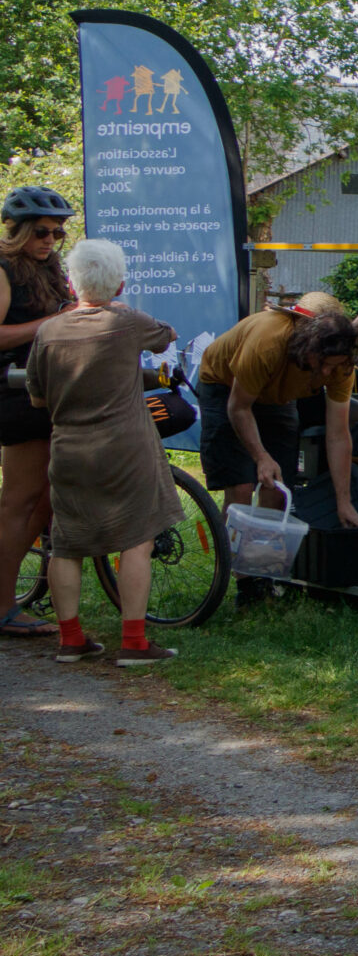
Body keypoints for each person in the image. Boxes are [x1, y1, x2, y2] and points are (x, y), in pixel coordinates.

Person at [23, 241, 180, 666]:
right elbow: (167, 338)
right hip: (125, 448)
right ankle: (133, 643)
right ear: (121, 284)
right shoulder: (126, 321)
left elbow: (37, 399)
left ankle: (71, 640)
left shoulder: (48, 331)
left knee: (66, 545)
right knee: (137, 540)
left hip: (70, 449)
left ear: (73, 285)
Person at [197, 305, 358, 529]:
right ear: (308, 348)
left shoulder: (342, 367)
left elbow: (338, 434)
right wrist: (261, 456)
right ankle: (229, 559)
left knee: (277, 488)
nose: (328, 372)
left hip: (275, 396)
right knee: (241, 486)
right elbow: (239, 408)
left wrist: (344, 501)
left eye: (335, 365)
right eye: (323, 364)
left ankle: (260, 556)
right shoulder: (267, 344)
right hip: (225, 387)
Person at [0, 185, 76, 638]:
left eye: (59, 232)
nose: (50, 240)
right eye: (42, 232)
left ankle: (26, 591)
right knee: (19, 501)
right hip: (11, 393)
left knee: (46, 499)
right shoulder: (4, 267)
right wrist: (51, 323)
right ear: (19, 230)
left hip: (47, 389)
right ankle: (3, 606)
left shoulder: (50, 268)